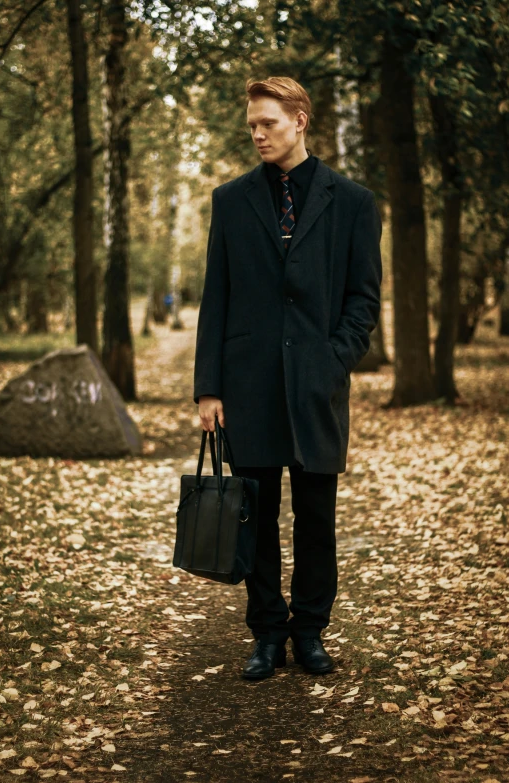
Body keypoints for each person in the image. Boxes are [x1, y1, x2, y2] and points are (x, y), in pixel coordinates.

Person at [194, 76, 382, 680]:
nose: (256, 133)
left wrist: (334, 359)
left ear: (300, 120)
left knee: (317, 518)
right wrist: (208, 387)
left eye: (267, 122)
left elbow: (363, 299)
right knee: (258, 516)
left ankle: (310, 632)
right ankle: (267, 635)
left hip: (315, 385)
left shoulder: (351, 201)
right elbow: (215, 297)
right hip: (248, 385)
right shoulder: (230, 200)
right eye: (251, 124)